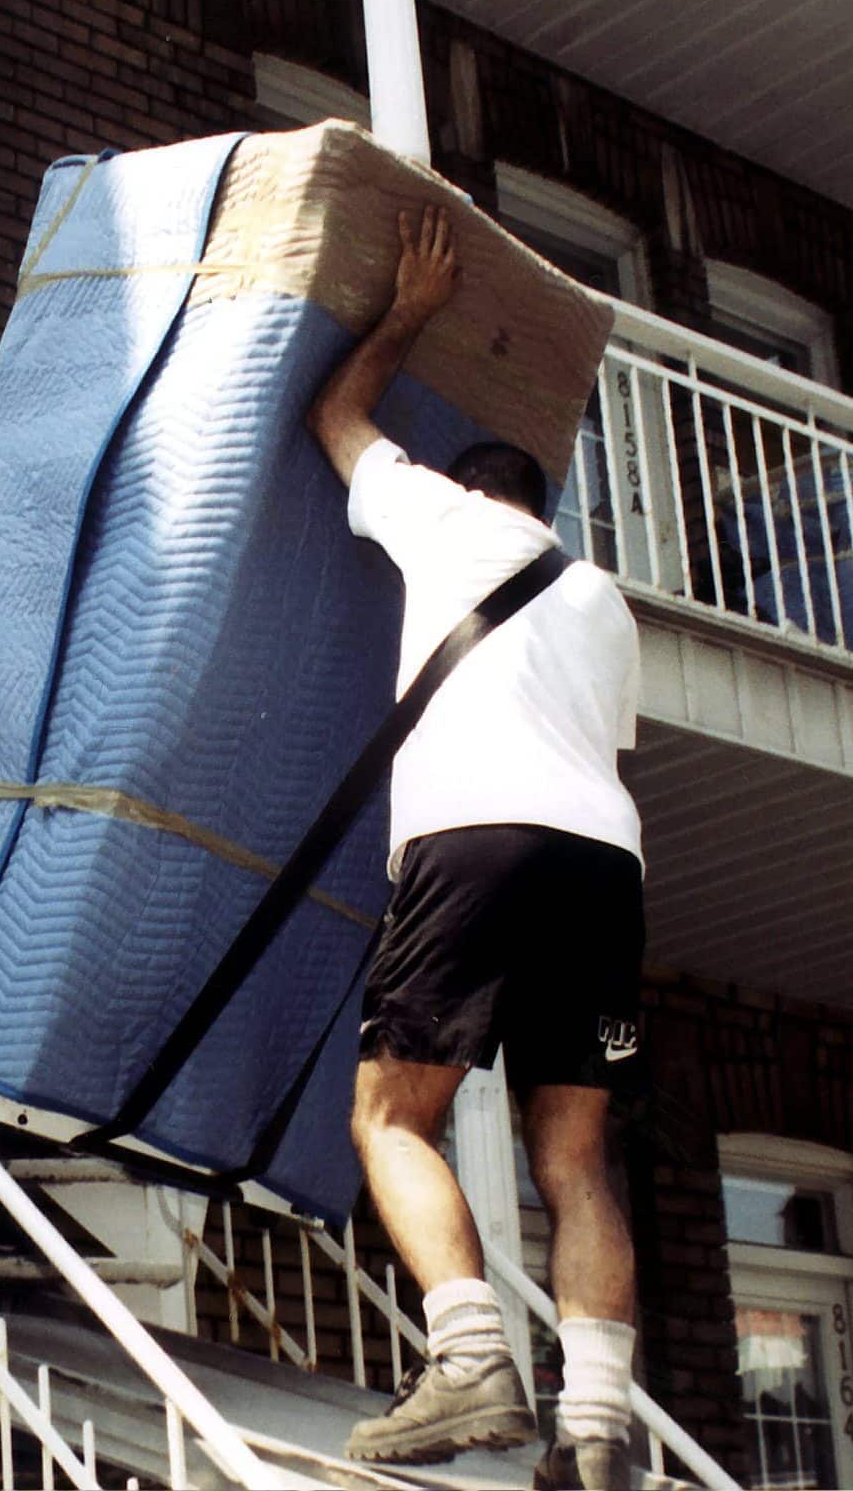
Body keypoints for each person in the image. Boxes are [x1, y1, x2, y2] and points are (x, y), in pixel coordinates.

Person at [307, 208, 646, 1491]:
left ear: (466, 484)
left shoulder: (441, 523)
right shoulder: (603, 600)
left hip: (477, 840)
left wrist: (400, 314)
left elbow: (334, 421)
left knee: (390, 1115)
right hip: (603, 868)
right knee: (574, 1155)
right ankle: (600, 1423)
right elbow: (614, 752)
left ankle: (466, 1363)